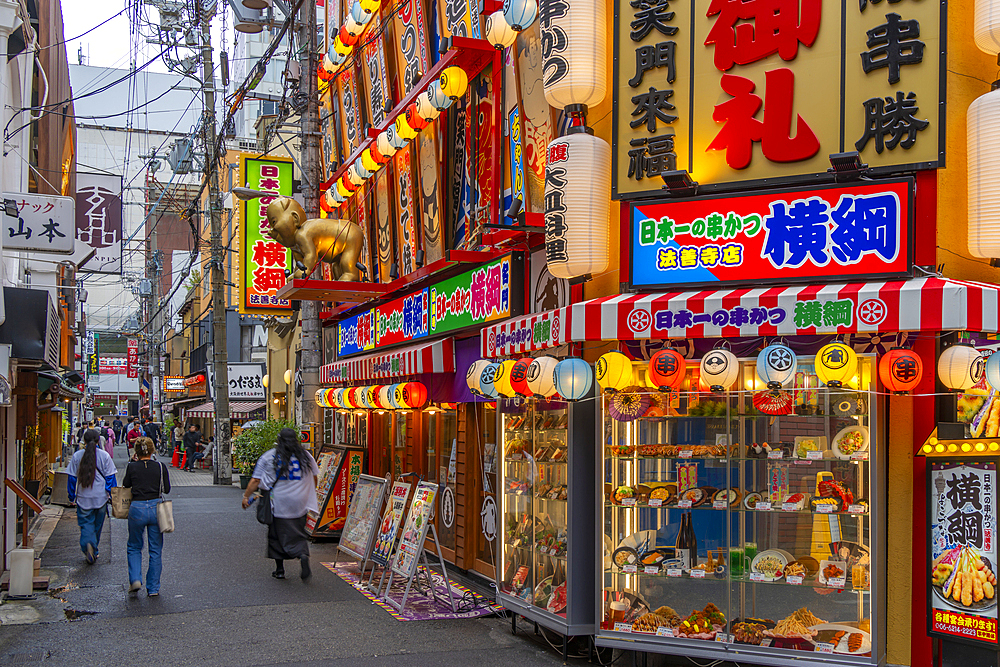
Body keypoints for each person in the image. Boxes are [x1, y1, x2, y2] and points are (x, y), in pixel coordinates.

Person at [242, 428, 319, 580]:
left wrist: (246, 496)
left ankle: (280, 570)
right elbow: (314, 477)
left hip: (278, 502)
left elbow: (255, 480)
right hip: (300, 502)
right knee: (298, 532)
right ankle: (302, 554)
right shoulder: (305, 456)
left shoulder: (270, 456)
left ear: (279, 440)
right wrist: (307, 493)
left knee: (276, 535)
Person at [122, 437, 169, 596]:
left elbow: (126, 484)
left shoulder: (132, 467)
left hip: (137, 507)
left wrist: (133, 462)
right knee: (155, 549)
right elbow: (167, 489)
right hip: (156, 507)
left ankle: (135, 578)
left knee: (134, 546)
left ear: (136, 451)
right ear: (152, 449)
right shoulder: (160, 467)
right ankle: (153, 588)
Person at [66, 429, 117, 564]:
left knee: (86, 525)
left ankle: (88, 545)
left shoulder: (77, 456)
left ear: (84, 440)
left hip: (83, 498)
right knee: (97, 526)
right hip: (101, 497)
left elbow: (71, 478)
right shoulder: (104, 456)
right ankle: (94, 549)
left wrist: (71, 496)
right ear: (98, 440)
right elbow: (111, 477)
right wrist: (111, 493)